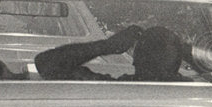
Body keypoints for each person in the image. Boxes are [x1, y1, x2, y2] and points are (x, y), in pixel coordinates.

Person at [34, 25, 186, 82]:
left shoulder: (115, 90)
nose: (155, 59)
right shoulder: (198, 92)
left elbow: (46, 63)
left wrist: (107, 46)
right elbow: (44, 63)